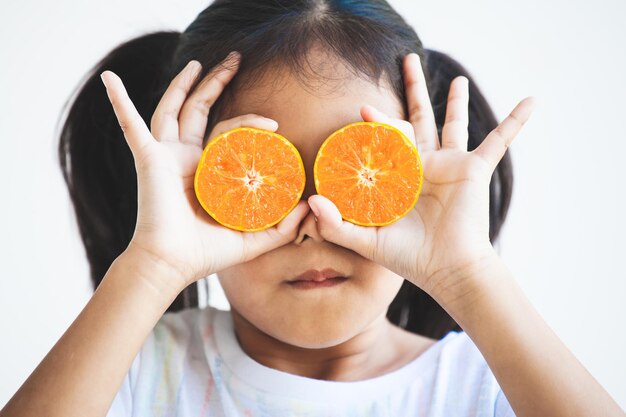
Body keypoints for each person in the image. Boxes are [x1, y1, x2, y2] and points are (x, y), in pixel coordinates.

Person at [1, 1, 623, 416]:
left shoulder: (491, 389)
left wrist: (467, 275)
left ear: (416, 174)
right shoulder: (129, 373)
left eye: (355, 171)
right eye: (260, 174)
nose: (314, 222)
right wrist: (154, 265)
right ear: (193, 180)